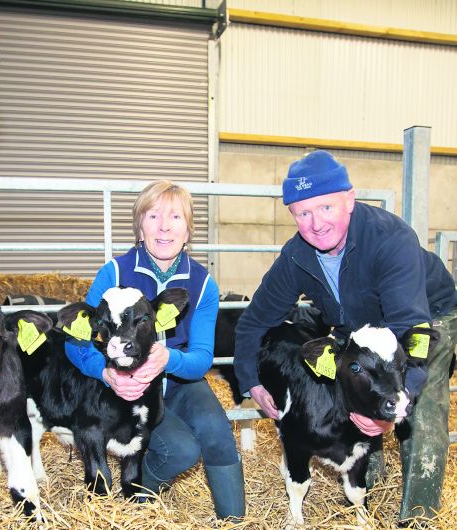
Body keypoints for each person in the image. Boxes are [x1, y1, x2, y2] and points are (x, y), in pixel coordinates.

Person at [233, 150, 457, 525]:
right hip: (362, 322)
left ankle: (419, 514)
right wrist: (251, 382)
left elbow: (409, 329)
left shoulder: (390, 238)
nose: (316, 223)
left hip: (425, 316)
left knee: (422, 399)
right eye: (303, 213)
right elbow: (253, 322)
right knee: (352, 380)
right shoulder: (296, 256)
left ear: (350, 200)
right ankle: (366, 484)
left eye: (326, 208)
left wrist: (397, 406)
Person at [65, 180, 246, 520]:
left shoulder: (203, 283)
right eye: (153, 216)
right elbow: (76, 342)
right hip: (122, 384)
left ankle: (235, 523)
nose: (164, 226)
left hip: (178, 379)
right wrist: (104, 373)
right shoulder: (114, 273)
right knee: (180, 450)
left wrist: (168, 358)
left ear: (188, 229)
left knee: (218, 431)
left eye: (175, 217)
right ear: (140, 225)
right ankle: (134, 500)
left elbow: (202, 357)